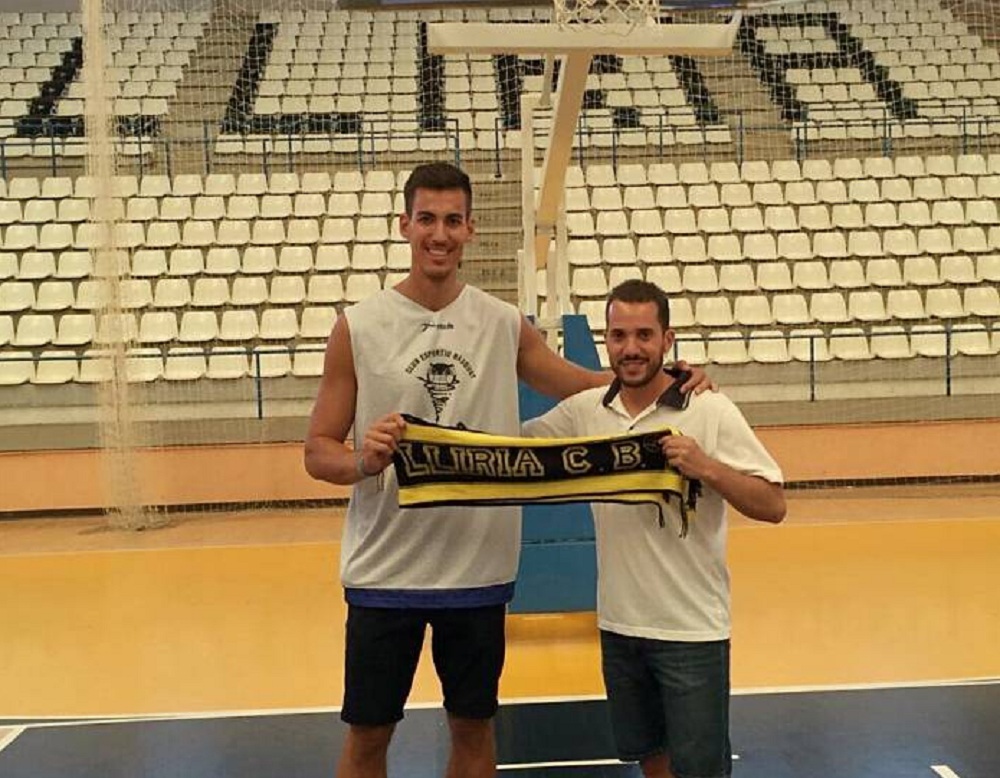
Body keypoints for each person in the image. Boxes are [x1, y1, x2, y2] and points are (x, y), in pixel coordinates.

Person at [303, 162, 710, 778]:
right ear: (404, 225)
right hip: (384, 569)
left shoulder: (500, 321)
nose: (439, 234)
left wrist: (663, 377)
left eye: (453, 221)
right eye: (427, 219)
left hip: (478, 569)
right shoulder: (357, 326)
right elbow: (317, 451)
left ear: (470, 229)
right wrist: (363, 459)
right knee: (369, 734)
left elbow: (582, 384)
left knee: (473, 730)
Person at [522, 279, 786, 778]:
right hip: (620, 627)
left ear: (668, 339)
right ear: (605, 340)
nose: (631, 348)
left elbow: (773, 504)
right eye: (619, 335)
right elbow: (510, 452)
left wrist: (707, 467)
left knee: (700, 771)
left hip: (692, 631)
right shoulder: (585, 412)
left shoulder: (708, 409)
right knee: (651, 762)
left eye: (644, 335)